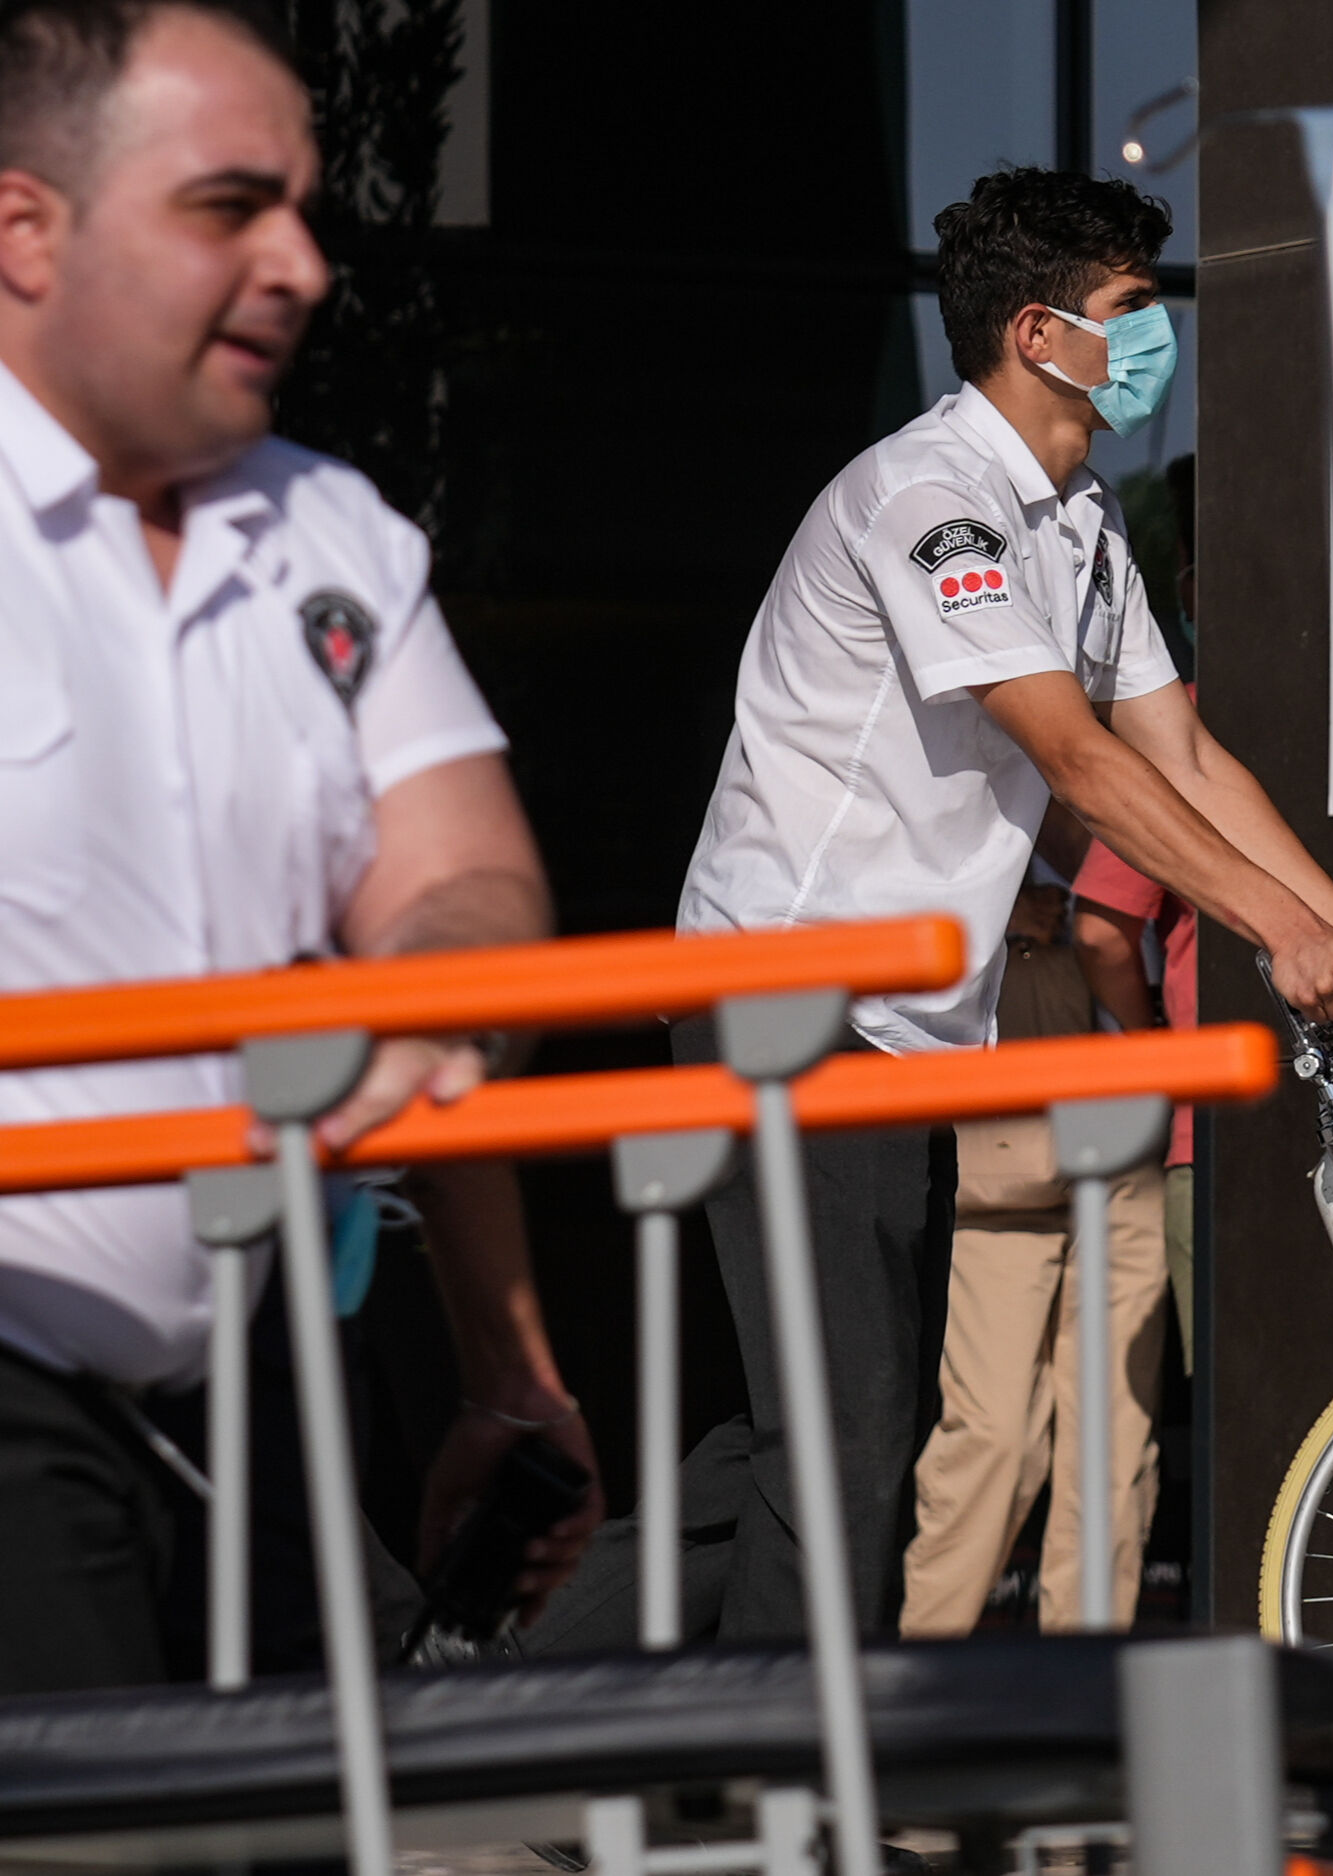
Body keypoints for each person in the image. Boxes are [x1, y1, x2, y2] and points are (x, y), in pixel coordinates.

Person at [668, 166, 1333, 1639]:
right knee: (849, 1437)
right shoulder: (934, 502)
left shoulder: (1081, 522)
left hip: (908, 1027)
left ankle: (520, 1676)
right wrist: (1272, 929)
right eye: (1130, 310)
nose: (1154, 337)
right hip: (785, 1001)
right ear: (1040, 335)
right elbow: (1075, 757)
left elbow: (1184, 749)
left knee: (821, 1433)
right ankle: (786, 1801)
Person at [0, 0, 599, 1691]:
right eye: (226, 207)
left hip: (251, 1388)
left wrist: (508, 1370)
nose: (301, 265)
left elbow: (464, 891)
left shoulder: (331, 533)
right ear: (25, 230)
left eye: (307, 210)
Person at [901, 876, 1167, 1634]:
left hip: (1126, 1123)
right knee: (992, 1439)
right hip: (1005, 1121)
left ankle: (1085, 1690)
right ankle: (913, 1680)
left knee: (1114, 1443)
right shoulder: (988, 775)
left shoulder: (1129, 793)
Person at [1073, 452, 1200, 1370]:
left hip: (1213, 1124)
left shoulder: (1183, 729)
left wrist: (1155, 1039)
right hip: (1237, 1123)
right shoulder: (1174, 733)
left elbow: (1096, 929)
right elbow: (1099, 923)